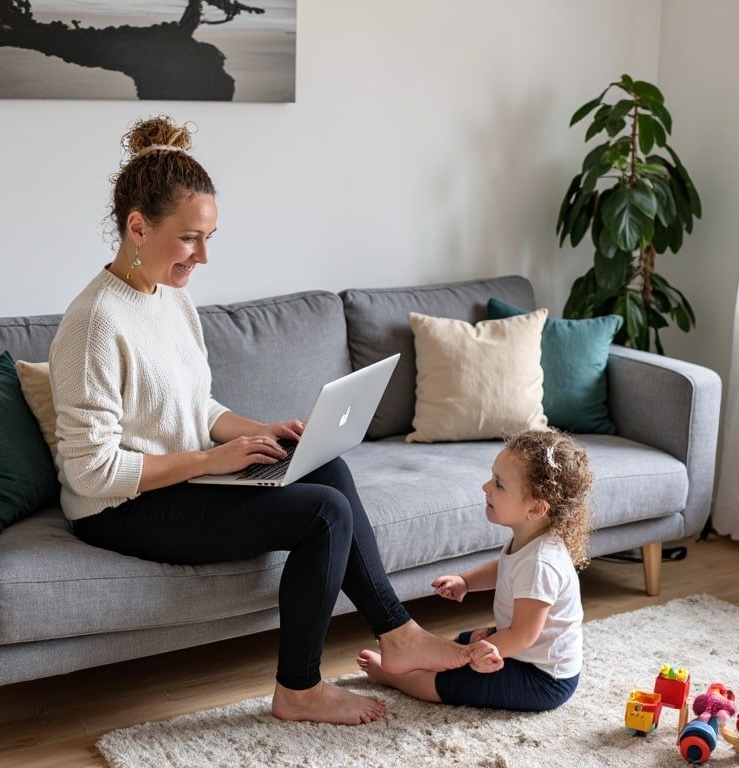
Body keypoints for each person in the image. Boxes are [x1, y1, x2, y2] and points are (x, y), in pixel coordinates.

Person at [48, 115, 497, 726]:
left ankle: (399, 633)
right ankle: (299, 689)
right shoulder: (95, 322)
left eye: (209, 237)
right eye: (189, 239)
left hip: (181, 480)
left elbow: (191, 409)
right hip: (120, 509)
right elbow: (91, 470)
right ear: (136, 227)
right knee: (324, 513)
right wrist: (213, 461)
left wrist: (260, 433)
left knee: (327, 465)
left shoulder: (171, 299)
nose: (202, 256)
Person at [357, 428, 592, 712]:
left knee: (444, 683)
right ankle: (422, 659)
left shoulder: (541, 562)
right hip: (525, 651)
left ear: (536, 509)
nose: (485, 487)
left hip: (542, 679)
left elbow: (523, 634)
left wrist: (485, 651)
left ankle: (393, 677)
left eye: (499, 485)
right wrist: (466, 582)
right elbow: (504, 570)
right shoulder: (531, 539)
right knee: (461, 643)